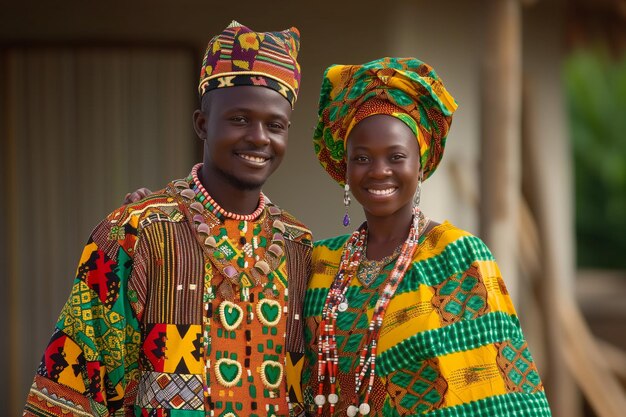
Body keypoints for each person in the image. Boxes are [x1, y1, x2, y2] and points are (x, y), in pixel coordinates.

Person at [24, 21, 312, 417]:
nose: (260, 137)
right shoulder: (135, 233)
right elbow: (73, 390)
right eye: (240, 119)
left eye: (275, 125)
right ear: (202, 125)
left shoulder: (300, 248)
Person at [302, 57, 552, 416]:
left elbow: (501, 395)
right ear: (345, 166)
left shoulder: (456, 257)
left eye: (396, 156)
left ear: (420, 164)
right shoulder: (321, 264)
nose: (379, 171)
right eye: (362, 158)